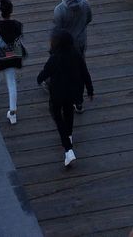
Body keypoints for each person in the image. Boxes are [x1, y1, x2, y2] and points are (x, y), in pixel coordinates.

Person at [36, 29, 93, 167]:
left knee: (56, 115)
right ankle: (69, 135)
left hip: (57, 94)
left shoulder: (55, 57)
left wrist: (39, 79)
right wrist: (90, 90)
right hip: (72, 93)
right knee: (68, 113)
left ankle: (68, 148)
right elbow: (85, 73)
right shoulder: (76, 55)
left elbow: (45, 72)